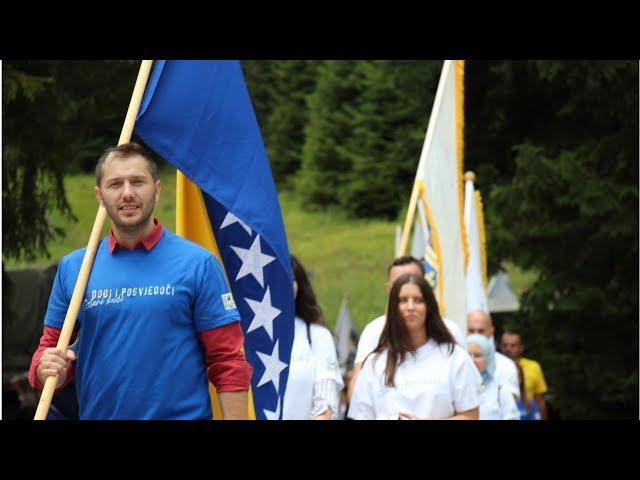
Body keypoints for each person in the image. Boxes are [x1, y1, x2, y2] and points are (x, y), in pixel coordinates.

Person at [28, 142, 253, 420]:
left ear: (157, 190)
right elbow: (49, 356)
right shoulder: (75, 268)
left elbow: (228, 361)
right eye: (115, 184)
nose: (127, 193)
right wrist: (45, 369)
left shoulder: (198, 264)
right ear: (100, 196)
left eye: (137, 182)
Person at [348, 273, 481, 420]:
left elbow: (470, 415)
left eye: (418, 300)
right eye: (403, 300)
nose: (410, 307)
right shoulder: (374, 363)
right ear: (393, 308)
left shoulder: (454, 357)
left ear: (428, 307)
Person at [348, 255, 466, 401]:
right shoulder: (374, 331)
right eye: (399, 284)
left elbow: (467, 402)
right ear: (389, 289)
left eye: (414, 280)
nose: (407, 286)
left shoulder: (450, 331)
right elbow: (357, 393)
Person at [282, 255, 344, 420]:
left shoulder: (318, 335)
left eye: (292, 278)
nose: (286, 284)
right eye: (279, 277)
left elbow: (326, 401)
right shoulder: (247, 334)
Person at [467, 309, 520, 401]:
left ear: (491, 331)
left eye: (481, 331)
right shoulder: (456, 363)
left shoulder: (506, 366)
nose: (476, 335)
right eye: (471, 331)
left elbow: (509, 404)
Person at [466, 334, 520, 420]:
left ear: (488, 358)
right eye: (468, 355)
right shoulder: (457, 387)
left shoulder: (500, 389)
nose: (472, 360)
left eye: (477, 355)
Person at [501, 331, 549, 420]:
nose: (508, 349)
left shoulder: (533, 367)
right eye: (505, 345)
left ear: (521, 348)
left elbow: (540, 400)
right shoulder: (493, 367)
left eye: (513, 345)